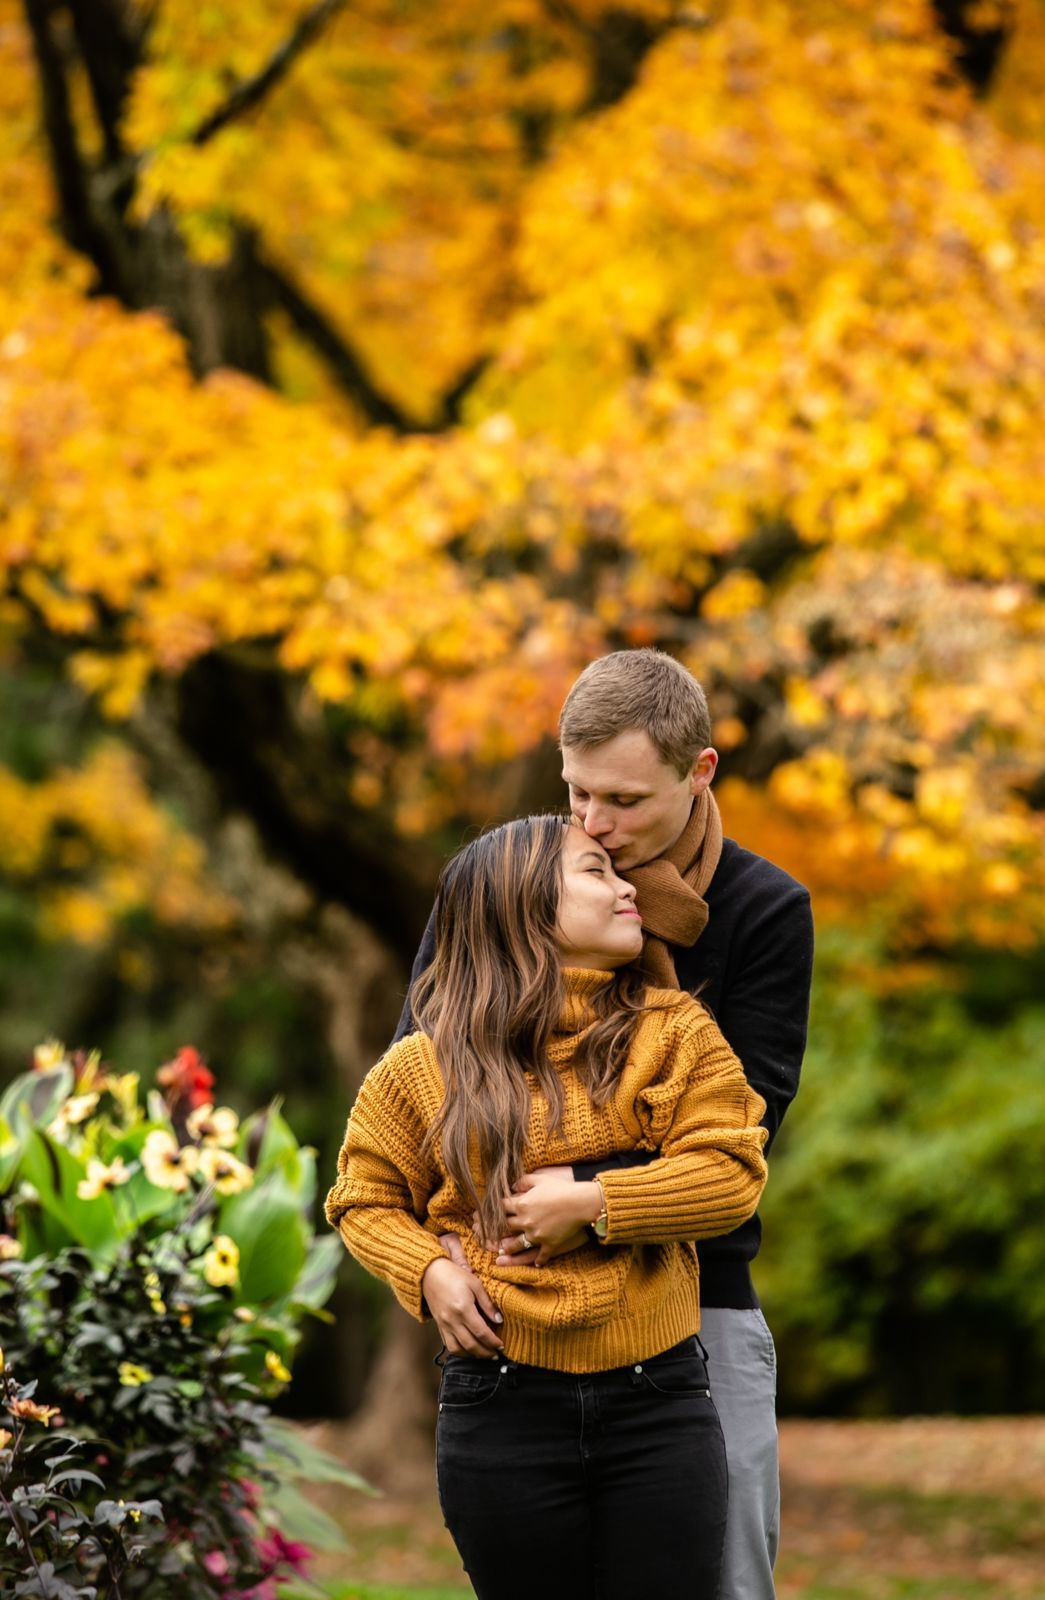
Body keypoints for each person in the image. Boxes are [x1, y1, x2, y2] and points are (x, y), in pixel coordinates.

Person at [393, 649, 814, 1600]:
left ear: (697, 771)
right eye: (576, 792)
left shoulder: (762, 909)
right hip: (523, 1304)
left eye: (622, 800)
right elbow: (420, 1093)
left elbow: (744, 1123)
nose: (592, 822)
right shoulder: (503, 881)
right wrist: (435, 1265)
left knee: (726, 1579)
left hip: (694, 1292)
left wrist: (583, 1199)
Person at [326, 815, 769, 1600]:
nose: (629, 885)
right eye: (597, 871)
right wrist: (427, 1271)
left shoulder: (676, 1032)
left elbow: (731, 1173)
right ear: (522, 908)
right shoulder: (423, 1066)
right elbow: (361, 1198)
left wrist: (596, 1202)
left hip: (659, 1403)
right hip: (498, 1404)